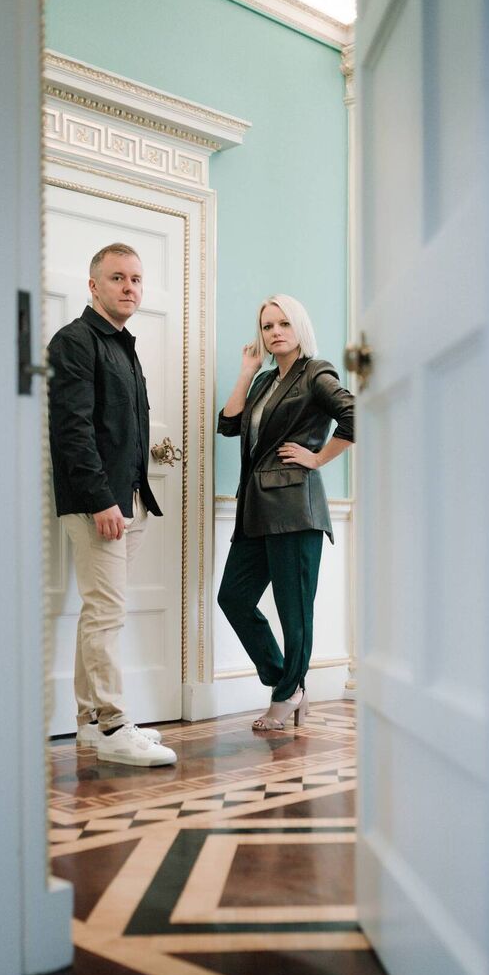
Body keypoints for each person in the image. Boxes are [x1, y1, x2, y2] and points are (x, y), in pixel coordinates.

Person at [47, 243, 176, 768]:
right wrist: (102, 499)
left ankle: (91, 724)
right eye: (118, 278)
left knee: (103, 614)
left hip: (131, 500)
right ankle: (113, 722)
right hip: (99, 503)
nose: (130, 287)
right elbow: (72, 428)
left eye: (137, 279)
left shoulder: (123, 345)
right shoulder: (74, 341)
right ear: (93, 284)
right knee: (106, 614)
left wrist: (130, 498)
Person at [217, 294, 354, 731]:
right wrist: (245, 373)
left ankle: (287, 691)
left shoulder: (317, 372)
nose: (275, 332)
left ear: (299, 328)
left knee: (293, 609)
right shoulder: (261, 383)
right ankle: (287, 683)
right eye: (267, 325)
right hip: (255, 508)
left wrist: (318, 458)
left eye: (283, 324)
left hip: (295, 507)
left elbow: (355, 415)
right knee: (233, 598)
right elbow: (229, 423)